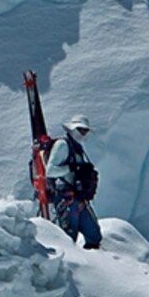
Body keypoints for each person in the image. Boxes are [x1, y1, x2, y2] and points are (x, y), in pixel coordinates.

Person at [20, 69, 101, 249]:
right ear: (72, 129)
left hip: (79, 197)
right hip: (66, 196)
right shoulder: (63, 145)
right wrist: (71, 169)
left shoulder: (77, 148)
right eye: (81, 130)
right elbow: (50, 170)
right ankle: (71, 263)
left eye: (85, 131)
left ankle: (93, 263)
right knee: (68, 237)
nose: (83, 133)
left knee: (94, 234)